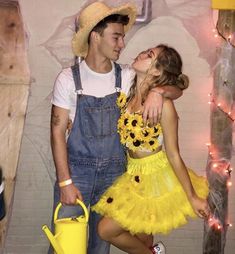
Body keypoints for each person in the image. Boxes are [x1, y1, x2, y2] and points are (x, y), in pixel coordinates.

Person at [50, 2, 183, 254]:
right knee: (65, 247)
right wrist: (65, 181)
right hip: (75, 173)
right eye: (117, 36)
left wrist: (159, 91)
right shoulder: (68, 78)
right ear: (95, 36)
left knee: (100, 247)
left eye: (122, 37)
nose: (122, 43)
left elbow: (175, 84)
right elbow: (57, 132)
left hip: (114, 175)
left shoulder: (128, 75)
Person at [92, 44, 210, 254]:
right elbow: (176, 87)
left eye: (149, 55)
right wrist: (158, 89)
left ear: (156, 71)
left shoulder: (165, 106)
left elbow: (174, 155)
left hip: (154, 177)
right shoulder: (128, 86)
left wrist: (192, 196)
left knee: (105, 230)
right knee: (142, 239)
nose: (142, 53)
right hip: (132, 174)